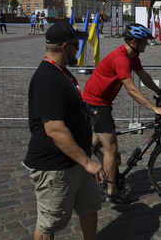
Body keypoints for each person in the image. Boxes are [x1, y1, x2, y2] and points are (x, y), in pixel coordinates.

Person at [23, 21, 108, 240]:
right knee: (49, 222)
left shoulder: (60, 72)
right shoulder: (47, 79)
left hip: (76, 160)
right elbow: (55, 130)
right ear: (64, 47)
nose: (78, 49)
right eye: (75, 45)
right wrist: (89, 162)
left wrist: (84, 113)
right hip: (55, 166)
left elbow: (63, 110)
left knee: (89, 206)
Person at [83, 23, 161, 204]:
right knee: (111, 148)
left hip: (102, 102)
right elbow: (131, 89)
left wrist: (160, 92)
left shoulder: (132, 57)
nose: (147, 44)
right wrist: (154, 108)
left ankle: (80, 163)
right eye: (145, 41)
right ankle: (111, 192)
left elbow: (144, 76)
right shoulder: (121, 58)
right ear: (134, 41)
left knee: (93, 145)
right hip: (96, 104)